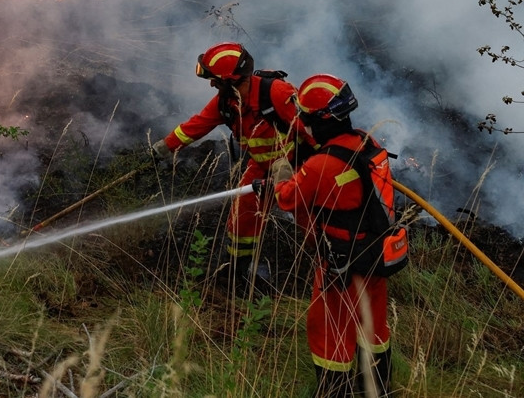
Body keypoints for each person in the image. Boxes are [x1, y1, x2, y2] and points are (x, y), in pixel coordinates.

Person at [264, 74, 399, 398]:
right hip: (375, 255)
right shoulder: (368, 142)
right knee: (373, 325)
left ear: (318, 121)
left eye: (307, 119)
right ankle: (376, 390)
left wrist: (282, 170)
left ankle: (333, 391)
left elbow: (287, 198)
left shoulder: (322, 165)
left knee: (329, 331)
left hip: (340, 264)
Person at [152, 42, 311, 290]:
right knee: (242, 216)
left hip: (298, 165)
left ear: (230, 80)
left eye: (215, 79)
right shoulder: (226, 103)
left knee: (310, 218)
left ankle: (328, 266)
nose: (212, 84)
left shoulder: (277, 94)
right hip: (260, 166)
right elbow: (196, 126)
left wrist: (323, 167)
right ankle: (235, 273)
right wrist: (162, 149)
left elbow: (312, 130)